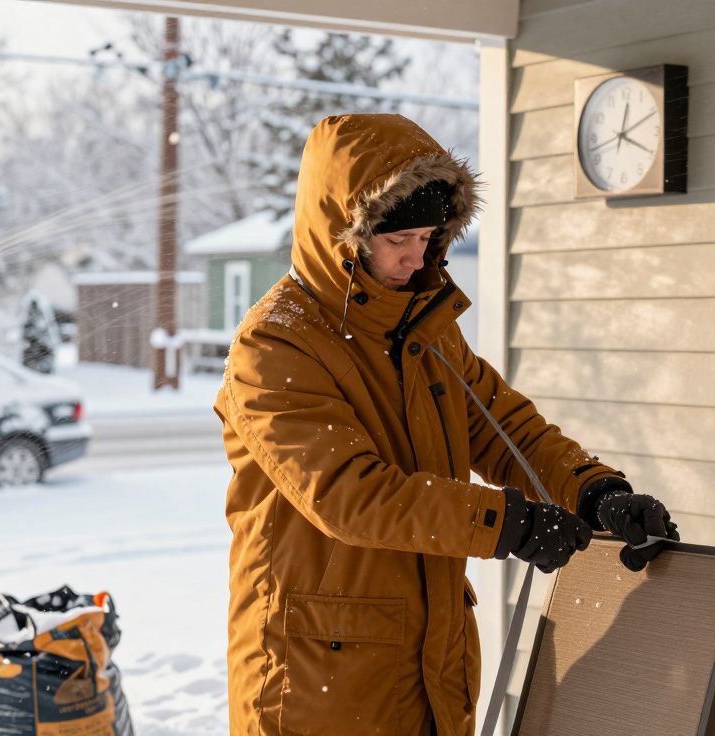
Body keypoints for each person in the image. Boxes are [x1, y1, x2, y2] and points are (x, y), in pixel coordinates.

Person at [214, 113, 678, 736]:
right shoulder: (276, 344)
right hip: (316, 674)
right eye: (397, 239)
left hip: (430, 653)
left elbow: (504, 427)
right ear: (345, 234)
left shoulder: (424, 328)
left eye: (430, 237)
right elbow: (349, 494)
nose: (416, 258)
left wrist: (595, 491)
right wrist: (504, 522)